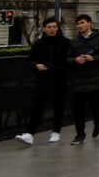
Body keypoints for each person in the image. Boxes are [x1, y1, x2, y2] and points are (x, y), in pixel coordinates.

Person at [15, 16, 69, 145]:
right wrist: (36, 65)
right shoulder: (39, 43)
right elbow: (30, 60)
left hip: (59, 80)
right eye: (49, 27)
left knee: (58, 107)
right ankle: (30, 134)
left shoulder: (65, 43)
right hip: (42, 80)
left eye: (54, 27)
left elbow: (68, 60)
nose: (52, 30)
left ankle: (56, 132)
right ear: (44, 29)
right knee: (37, 107)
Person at [68, 14, 99, 146]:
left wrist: (94, 58)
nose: (80, 26)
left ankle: (98, 123)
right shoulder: (73, 42)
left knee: (95, 106)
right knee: (78, 109)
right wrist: (75, 60)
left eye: (82, 23)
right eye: (78, 24)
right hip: (78, 79)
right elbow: (66, 58)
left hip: (95, 78)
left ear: (89, 23)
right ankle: (80, 135)